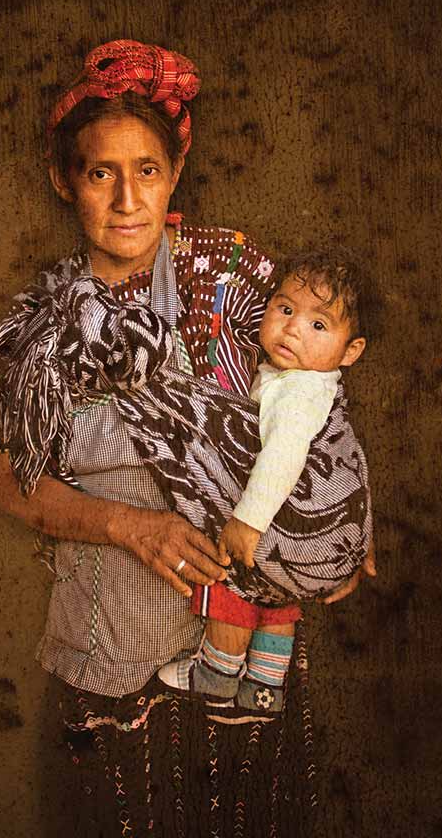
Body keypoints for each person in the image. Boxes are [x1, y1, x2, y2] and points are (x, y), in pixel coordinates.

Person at [0, 39, 376, 837]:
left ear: (174, 174)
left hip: (242, 672)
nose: (128, 199)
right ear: (66, 181)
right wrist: (130, 527)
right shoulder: (44, 330)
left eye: (148, 171)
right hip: (113, 660)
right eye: (101, 174)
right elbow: (6, 481)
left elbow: (312, 397)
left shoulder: (235, 280)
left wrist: (343, 528)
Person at [159, 248, 374, 714]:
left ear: (350, 350)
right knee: (280, 597)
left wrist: (248, 521)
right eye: (285, 309)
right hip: (306, 530)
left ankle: (217, 672)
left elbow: (282, 456)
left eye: (319, 325)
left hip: (279, 514)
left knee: (234, 576)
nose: (294, 328)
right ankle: (264, 687)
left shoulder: (298, 391)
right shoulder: (306, 382)